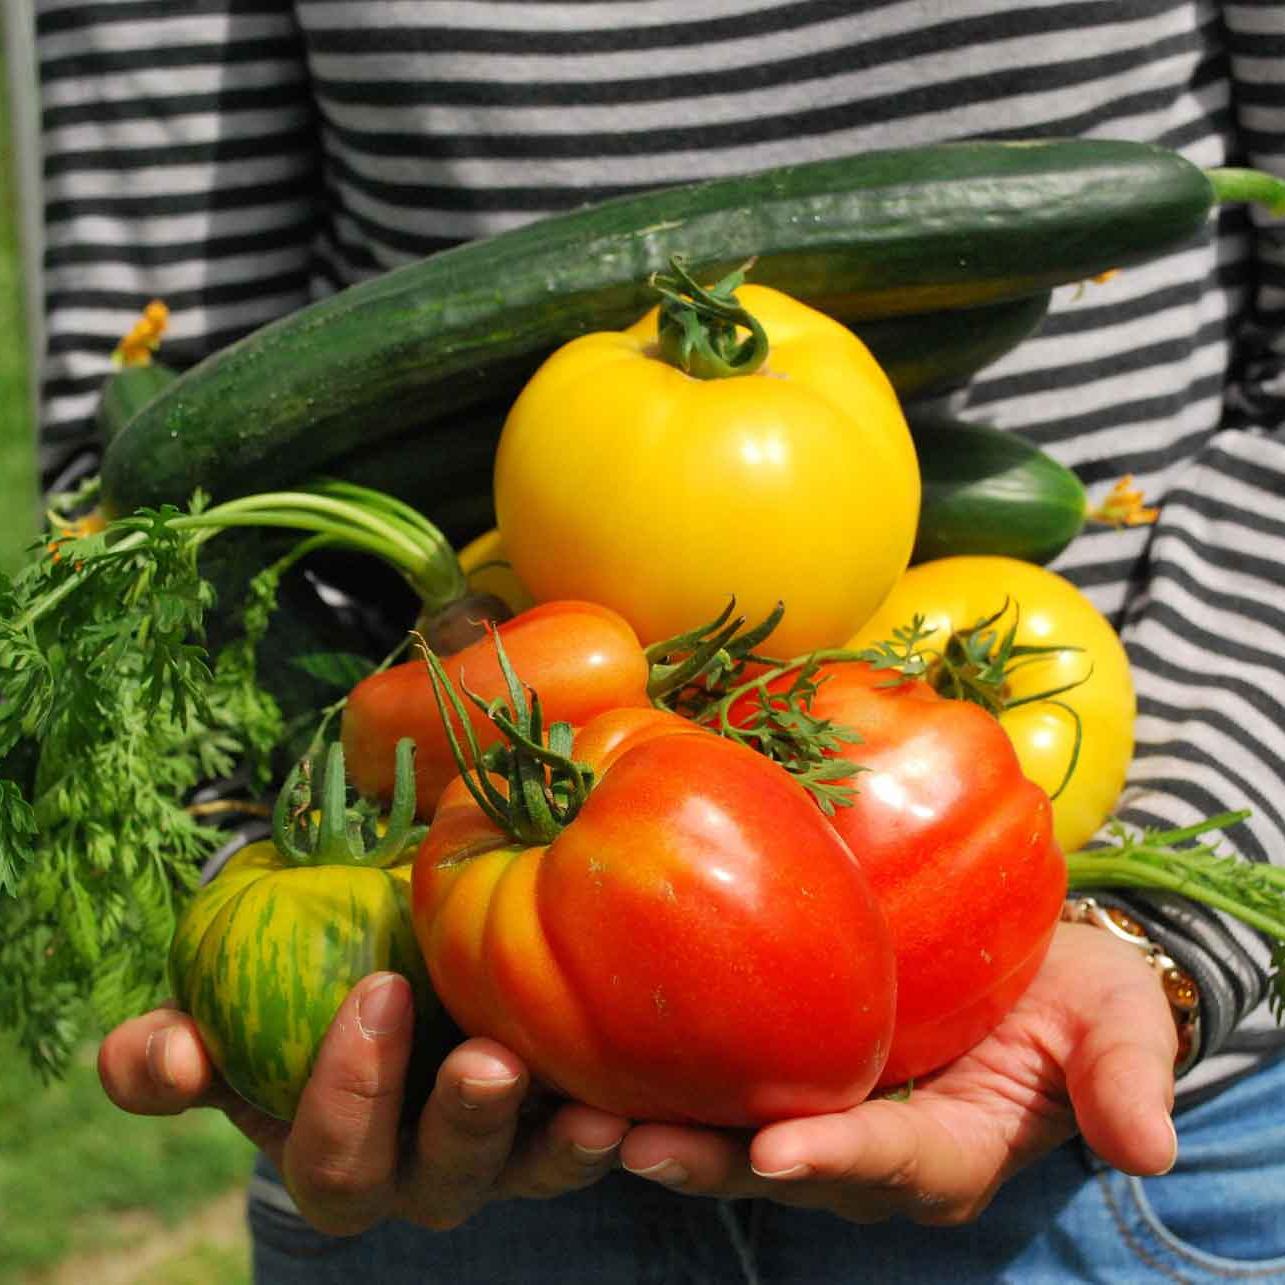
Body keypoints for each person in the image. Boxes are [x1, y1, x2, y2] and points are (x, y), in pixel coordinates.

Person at [38, 1, 1285, 1280]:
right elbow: (141, 470)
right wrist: (277, 914)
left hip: (1106, 1122)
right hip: (451, 1047)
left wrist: (1160, 932)